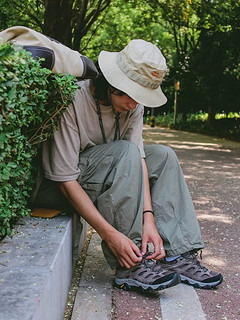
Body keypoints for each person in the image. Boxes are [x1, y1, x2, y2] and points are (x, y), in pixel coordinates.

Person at [32, 39, 223, 292]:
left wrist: (149, 220)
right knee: (125, 151)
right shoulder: (73, 99)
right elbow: (64, 180)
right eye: (131, 96)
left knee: (163, 156)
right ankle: (133, 262)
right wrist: (110, 235)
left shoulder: (133, 105)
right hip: (57, 188)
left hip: (105, 172)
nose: (134, 105)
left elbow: (140, 160)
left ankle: (176, 253)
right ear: (111, 85)